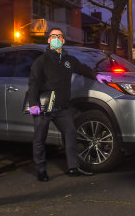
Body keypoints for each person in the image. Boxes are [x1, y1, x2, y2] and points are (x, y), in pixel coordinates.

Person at [27, 28, 112, 181]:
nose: (56, 38)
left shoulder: (69, 60)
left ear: (63, 40)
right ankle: (41, 170)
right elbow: (33, 82)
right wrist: (33, 103)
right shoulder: (42, 60)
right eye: (53, 36)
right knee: (40, 139)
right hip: (44, 107)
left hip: (62, 108)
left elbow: (83, 69)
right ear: (48, 40)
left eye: (59, 36)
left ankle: (73, 168)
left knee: (71, 134)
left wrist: (97, 75)